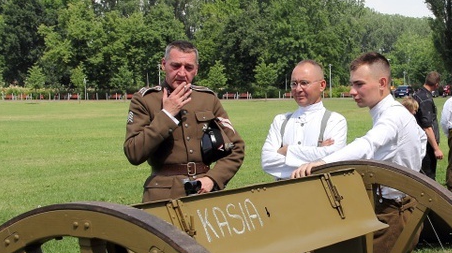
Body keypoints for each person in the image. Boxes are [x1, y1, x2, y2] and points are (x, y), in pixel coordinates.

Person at [292, 52, 426, 253]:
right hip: (401, 206)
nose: (352, 91)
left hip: (392, 212)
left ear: (382, 83)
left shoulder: (391, 116)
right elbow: (421, 141)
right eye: (352, 84)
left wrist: (324, 164)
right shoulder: (399, 113)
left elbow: (368, 144)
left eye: (359, 84)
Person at [124, 40, 245, 202]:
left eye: (188, 67)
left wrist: (213, 179)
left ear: (196, 69)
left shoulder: (207, 99)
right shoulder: (146, 100)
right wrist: (167, 114)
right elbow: (134, 153)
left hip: (204, 192)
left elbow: (236, 147)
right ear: (163, 64)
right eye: (175, 66)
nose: (182, 73)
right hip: (162, 194)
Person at [261, 60, 347, 180]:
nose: (298, 89)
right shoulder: (280, 121)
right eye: (294, 83)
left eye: (304, 83)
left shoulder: (335, 121)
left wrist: (286, 150)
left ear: (322, 85)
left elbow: (333, 160)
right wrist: (317, 153)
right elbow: (267, 161)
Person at [412, 71, 444, 180]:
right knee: (428, 177)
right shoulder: (426, 99)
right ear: (437, 84)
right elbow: (427, 127)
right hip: (426, 144)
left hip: (417, 141)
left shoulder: (417, 94)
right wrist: (436, 148)